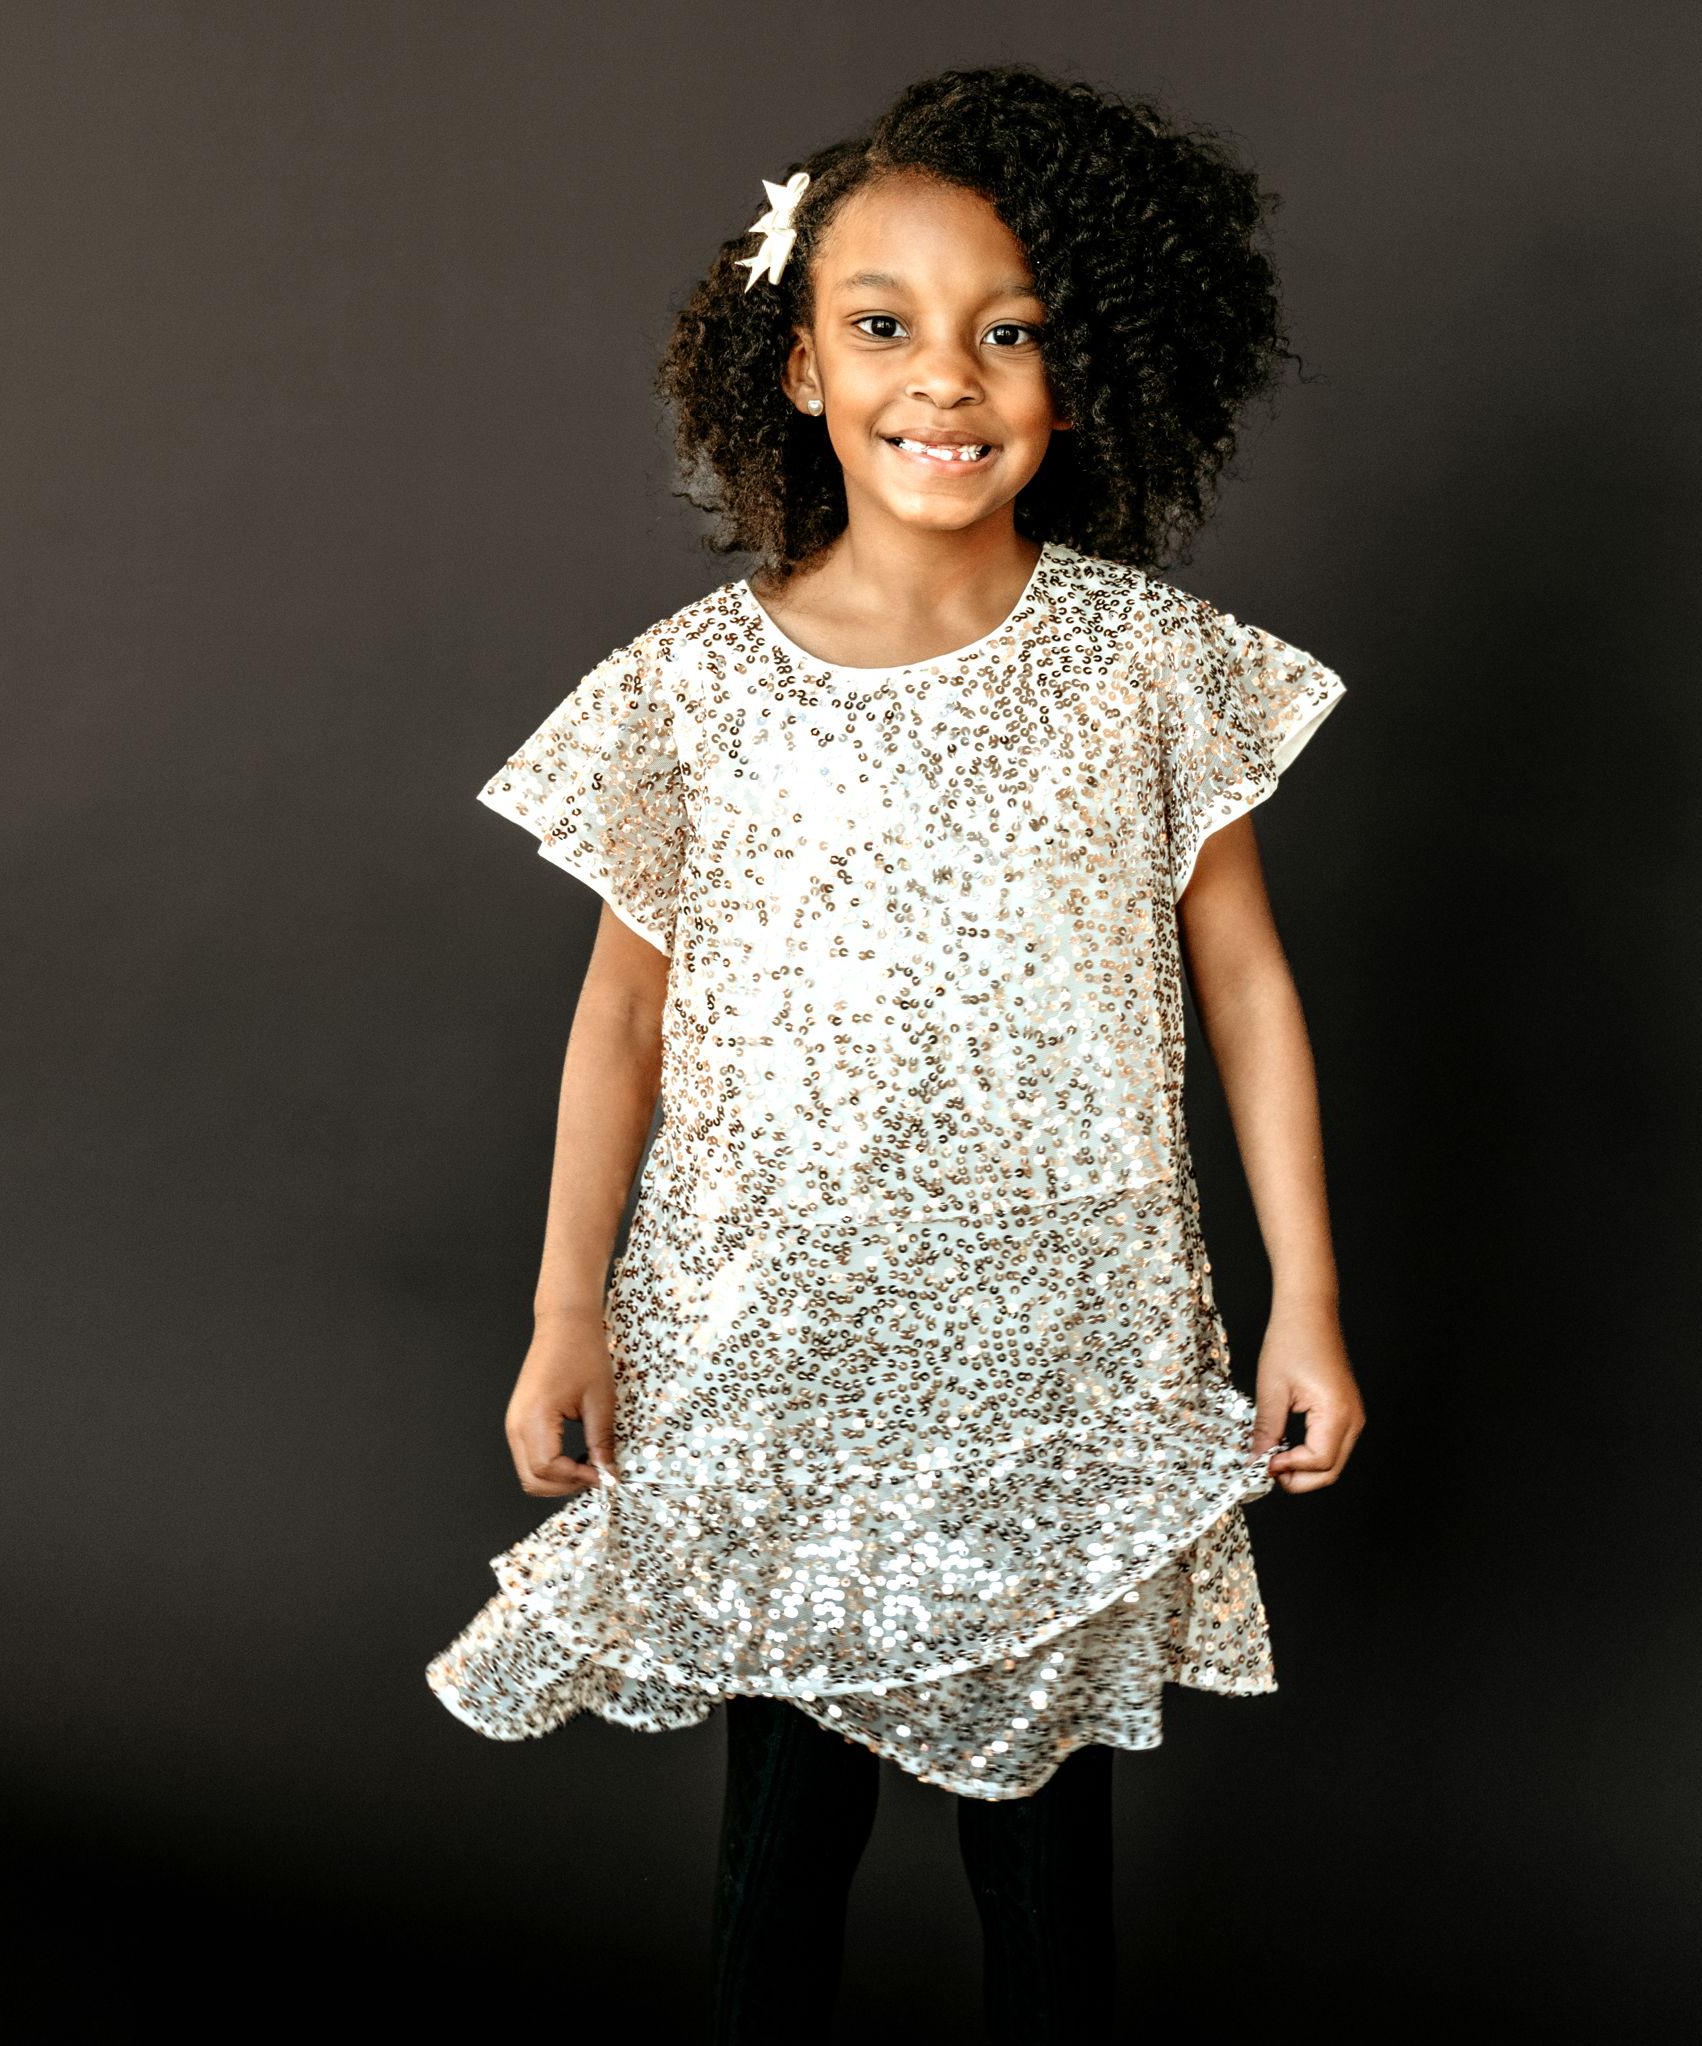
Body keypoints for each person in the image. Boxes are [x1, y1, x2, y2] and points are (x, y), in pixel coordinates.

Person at [425, 63, 1366, 2043]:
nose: (945, 377)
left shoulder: (1146, 665)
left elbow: (1248, 988)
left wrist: (1307, 1300)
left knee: (1046, 1881)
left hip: (1060, 1354)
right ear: (794, 368)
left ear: (1079, 376)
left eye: (1006, 332)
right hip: (777, 1348)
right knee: (782, 1854)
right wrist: (566, 1306)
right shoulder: (694, 691)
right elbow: (622, 1014)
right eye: (883, 325)